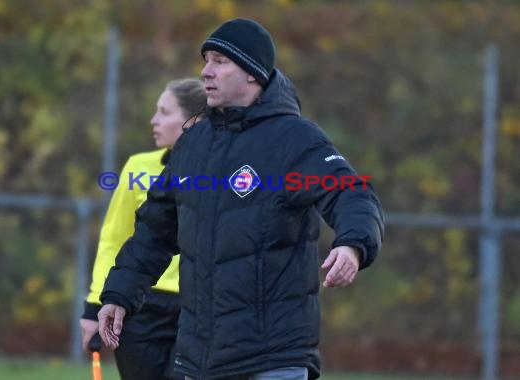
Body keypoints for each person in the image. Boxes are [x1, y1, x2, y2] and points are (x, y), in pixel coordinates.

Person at [98, 18, 385, 380]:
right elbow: (154, 232)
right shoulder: (193, 143)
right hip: (198, 360)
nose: (206, 71)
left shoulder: (293, 140)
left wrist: (353, 245)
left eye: (220, 61)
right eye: (206, 60)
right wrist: (119, 295)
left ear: (252, 73)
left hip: (271, 360)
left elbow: (351, 192)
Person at [80, 78, 207, 380]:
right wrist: (94, 304)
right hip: (139, 307)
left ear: (193, 119)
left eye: (164, 112)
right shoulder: (138, 166)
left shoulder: (216, 172)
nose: (154, 120)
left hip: (196, 308)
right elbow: (114, 239)